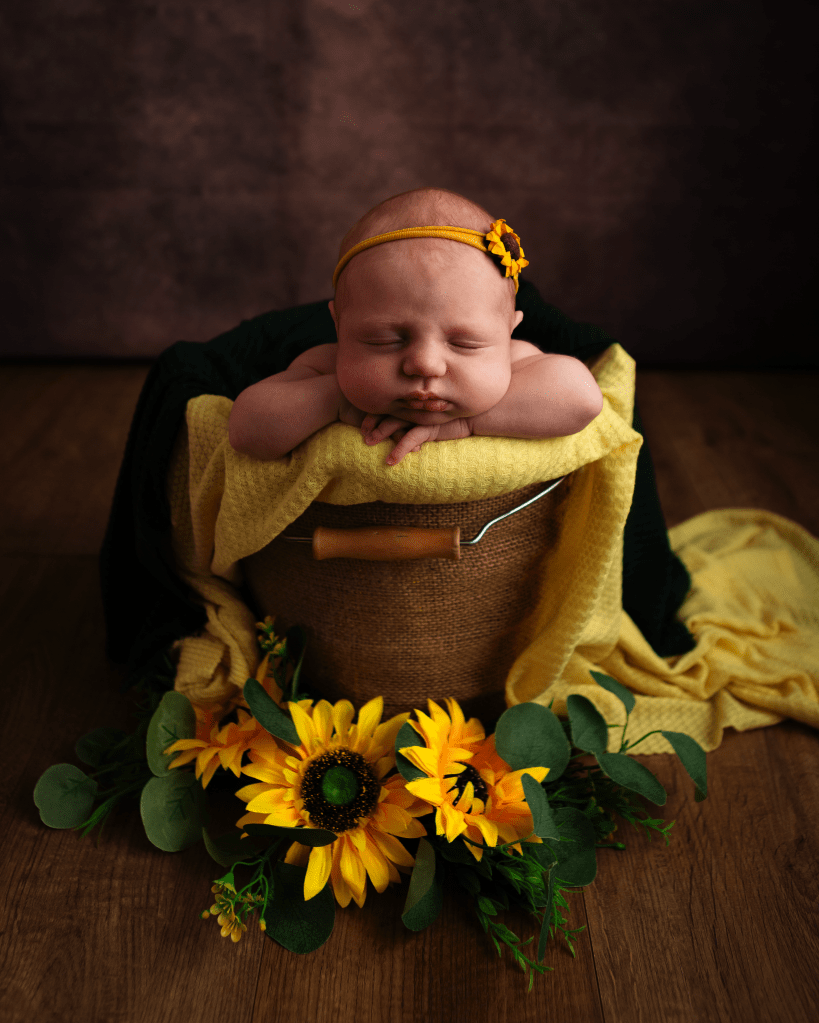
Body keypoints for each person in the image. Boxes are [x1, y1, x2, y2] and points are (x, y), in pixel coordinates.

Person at [228, 188, 604, 466]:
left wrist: (468, 423)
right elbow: (245, 433)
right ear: (339, 326)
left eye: (466, 343)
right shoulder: (325, 366)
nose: (425, 364)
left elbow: (582, 400)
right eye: (384, 340)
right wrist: (335, 400)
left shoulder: (517, 361)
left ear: (508, 332)